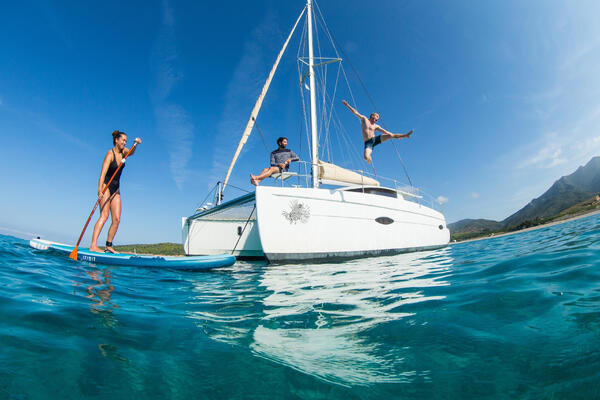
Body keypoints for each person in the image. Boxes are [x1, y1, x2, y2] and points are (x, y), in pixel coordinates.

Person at [89, 131, 141, 253]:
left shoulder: (124, 152)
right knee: (104, 215)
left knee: (116, 219)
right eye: (123, 140)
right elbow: (102, 174)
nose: (124, 143)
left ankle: (108, 245)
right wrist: (99, 190)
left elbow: (131, 152)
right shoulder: (110, 154)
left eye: (126, 141)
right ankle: (93, 245)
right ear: (116, 140)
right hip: (106, 187)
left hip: (116, 189)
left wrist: (136, 144)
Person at [341, 100, 414, 163]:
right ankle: (369, 158)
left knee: (391, 135)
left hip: (375, 139)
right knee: (365, 157)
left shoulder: (376, 126)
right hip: (368, 143)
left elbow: (385, 132)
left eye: (377, 119)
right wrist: (347, 105)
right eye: (376, 118)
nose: (376, 120)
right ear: (372, 116)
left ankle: (406, 135)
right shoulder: (364, 119)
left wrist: (396, 137)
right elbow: (355, 112)